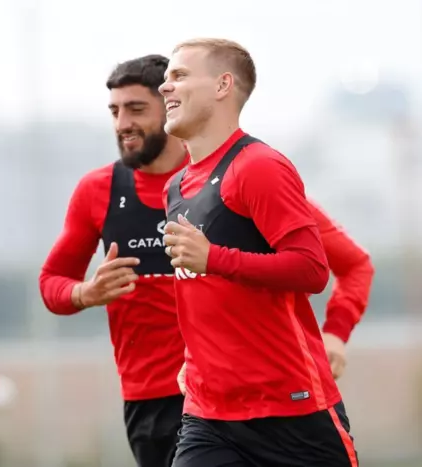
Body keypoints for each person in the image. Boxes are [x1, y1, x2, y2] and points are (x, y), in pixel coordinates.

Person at [159, 38, 360, 467]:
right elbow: (205, 297)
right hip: (208, 415)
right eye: (166, 78)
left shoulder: (259, 166)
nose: (165, 86)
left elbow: (312, 269)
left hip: (292, 412)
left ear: (222, 85)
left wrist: (214, 258)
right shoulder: (175, 187)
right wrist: (198, 359)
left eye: (179, 75)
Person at [39, 55, 189, 467]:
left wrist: (333, 333)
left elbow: (316, 260)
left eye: (136, 109)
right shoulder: (97, 190)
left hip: (226, 390)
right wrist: (86, 293)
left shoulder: (221, 176)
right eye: (115, 111)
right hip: (150, 400)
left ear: (172, 108)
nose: (123, 123)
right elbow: (51, 282)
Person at [177, 199, 375, 388]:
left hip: (288, 376)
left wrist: (336, 331)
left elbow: (355, 265)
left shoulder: (279, 198)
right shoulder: (186, 198)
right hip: (210, 381)